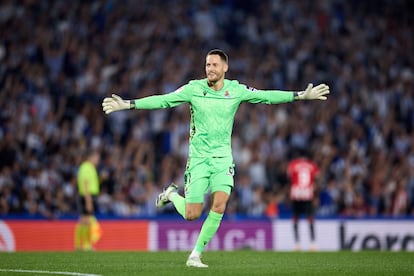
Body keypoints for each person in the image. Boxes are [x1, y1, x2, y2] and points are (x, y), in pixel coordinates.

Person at [102, 49, 329, 267]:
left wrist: (300, 95)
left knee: (219, 205)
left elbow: (265, 96)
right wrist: (129, 104)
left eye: (214, 65)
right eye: (207, 65)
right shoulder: (194, 88)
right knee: (192, 214)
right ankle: (171, 194)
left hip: (222, 160)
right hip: (199, 160)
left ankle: (195, 254)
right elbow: (164, 100)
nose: (209, 68)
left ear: (225, 67)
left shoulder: (236, 90)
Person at [287, 149, 320, 251]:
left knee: (295, 218)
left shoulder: (293, 164)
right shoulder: (312, 165)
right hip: (307, 193)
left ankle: (297, 244)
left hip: (296, 193)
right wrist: (316, 195)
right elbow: (317, 178)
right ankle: (313, 244)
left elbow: (289, 177)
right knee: (310, 218)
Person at [74, 149, 103, 251]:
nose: (98, 160)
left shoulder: (88, 167)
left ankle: (79, 245)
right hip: (87, 196)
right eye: (97, 158)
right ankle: (85, 245)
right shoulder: (87, 167)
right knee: (85, 221)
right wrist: (88, 200)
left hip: (87, 196)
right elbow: (85, 184)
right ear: (91, 157)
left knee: (83, 221)